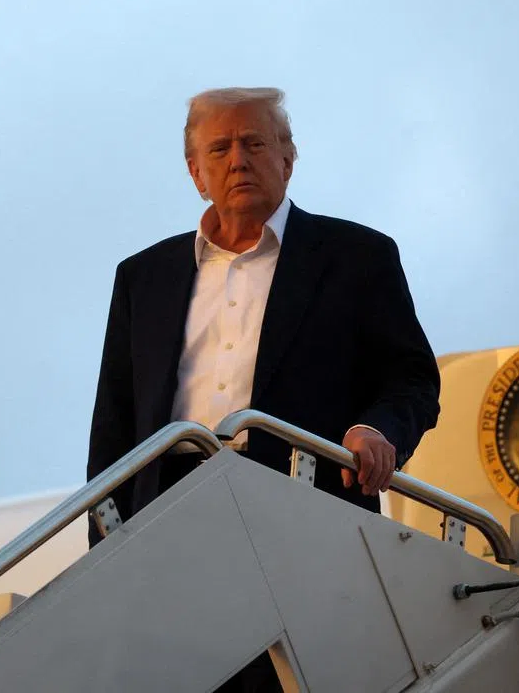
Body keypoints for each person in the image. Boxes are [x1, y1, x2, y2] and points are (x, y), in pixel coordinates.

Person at [85, 89, 440, 687]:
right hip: (168, 509)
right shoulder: (142, 277)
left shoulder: (357, 256)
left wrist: (377, 430)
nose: (237, 160)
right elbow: (113, 429)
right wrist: (100, 567)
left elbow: (411, 378)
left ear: (288, 158)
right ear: (196, 173)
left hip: (300, 501)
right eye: (218, 149)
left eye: (254, 143)